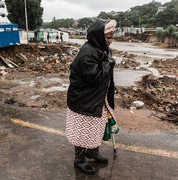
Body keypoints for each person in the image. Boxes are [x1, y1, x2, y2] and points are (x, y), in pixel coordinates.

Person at [66, 19, 117, 174]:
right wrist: (108, 63)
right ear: (98, 37)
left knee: (96, 127)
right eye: (108, 37)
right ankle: (79, 160)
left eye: (111, 37)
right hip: (83, 101)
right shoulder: (87, 53)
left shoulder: (100, 48)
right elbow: (95, 77)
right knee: (83, 130)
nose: (111, 40)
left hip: (96, 99)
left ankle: (92, 152)